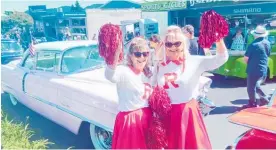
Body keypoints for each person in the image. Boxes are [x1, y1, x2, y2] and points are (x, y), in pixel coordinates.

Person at [153, 25, 228, 149]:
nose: (173, 47)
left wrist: (219, 39)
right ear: (164, 45)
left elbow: (221, 58)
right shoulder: (159, 65)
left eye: (177, 43)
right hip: (166, 115)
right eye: (169, 44)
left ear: (183, 44)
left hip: (186, 114)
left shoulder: (194, 62)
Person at [103, 36, 153, 148]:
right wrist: (114, 54)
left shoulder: (148, 72)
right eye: (137, 54)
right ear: (130, 55)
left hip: (148, 119)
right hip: (131, 122)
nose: (142, 57)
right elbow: (109, 75)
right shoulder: (124, 71)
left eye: (145, 54)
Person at [243, 25, 271, 108]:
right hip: (263, 68)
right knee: (256, 85)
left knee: (251, 87)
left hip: (253, 69)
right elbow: (268, 54)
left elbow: (246, 59)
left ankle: (252, 103)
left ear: (255, 35)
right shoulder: (267, 43)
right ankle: (264, 99)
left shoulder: (253, 45)